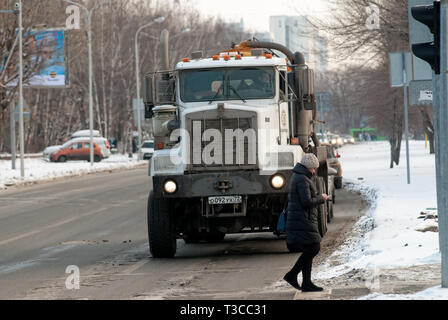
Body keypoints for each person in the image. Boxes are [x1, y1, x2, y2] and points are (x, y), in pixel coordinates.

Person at [283, 153, 330, 292]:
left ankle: (307, 283)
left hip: (303, 219)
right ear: (308, 167)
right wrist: (321, 198)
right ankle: (292, 275)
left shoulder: (299, 177)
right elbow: (306, 202)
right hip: (303, 220)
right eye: (313, 168)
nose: (314, 171)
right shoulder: (302, 179)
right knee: (314, 248)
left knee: (311, 248)